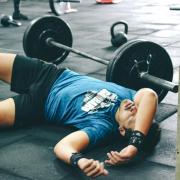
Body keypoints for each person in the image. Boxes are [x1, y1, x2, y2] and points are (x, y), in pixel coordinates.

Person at [0, 53, 160, 178]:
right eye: (140, 111)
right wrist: (134, 145)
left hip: (37, 106)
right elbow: (150, 95)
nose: (135, 109)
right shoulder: (132, 96)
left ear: (122, 130)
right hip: (49, 74)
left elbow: (62, 147)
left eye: (134, 117)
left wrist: (80, 161)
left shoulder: (103, 127)